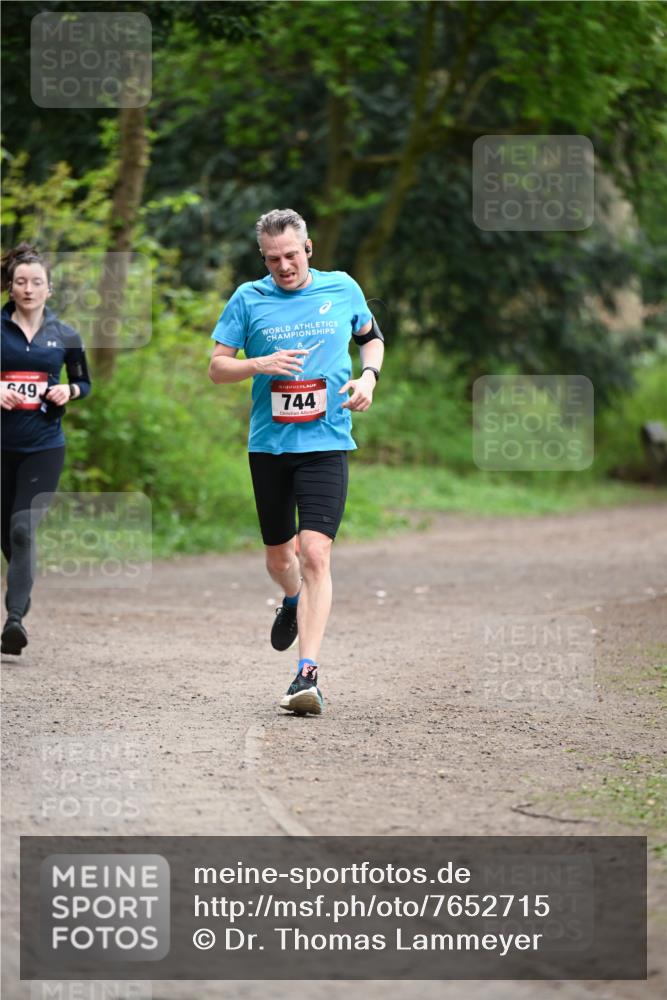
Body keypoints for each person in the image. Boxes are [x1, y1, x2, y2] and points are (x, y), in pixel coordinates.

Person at [209, 209, 384, 715]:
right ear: (263, 258)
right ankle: (291, 599)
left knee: (315, 554)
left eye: (290, 255)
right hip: (270, 446)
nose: (283, 266)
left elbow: (371, 337)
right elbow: (217, 367)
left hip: (326, 442)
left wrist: (368, 378)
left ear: (308, 249)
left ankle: (307, 675)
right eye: (272, 259)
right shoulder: (249, 298)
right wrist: (257, 364)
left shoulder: (342, 288)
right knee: (280, 560)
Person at [1, 243, 91, 655]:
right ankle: (22, 593)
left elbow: (84, 383)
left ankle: (14, 620)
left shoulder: (65, 335)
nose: (28, 288)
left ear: (49, 289)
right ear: (10, 286)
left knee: (22, 529)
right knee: (9, 535)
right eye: (21, 281)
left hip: (43, 446)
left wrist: (68, 391)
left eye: (36, 282)